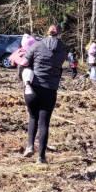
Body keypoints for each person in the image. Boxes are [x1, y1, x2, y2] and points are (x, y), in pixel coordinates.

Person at [19, 25, 68, 164]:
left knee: (33, 117)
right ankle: (41, 157)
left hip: (33, 88)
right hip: (50, 90)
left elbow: (22, 64)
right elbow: (57, 68)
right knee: (44, 123)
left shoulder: (36, 46)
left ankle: (29, 146)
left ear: (47, 32)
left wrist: (23, 78)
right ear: (60, 34)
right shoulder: (62, 50)